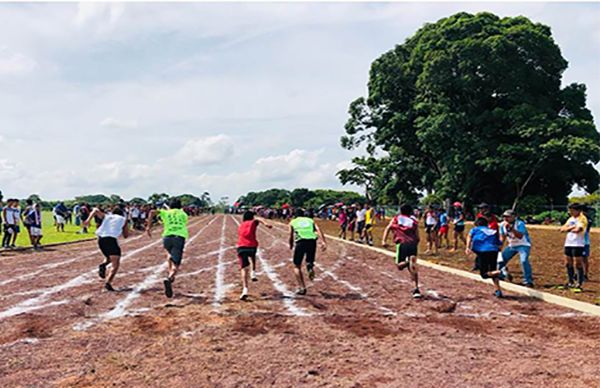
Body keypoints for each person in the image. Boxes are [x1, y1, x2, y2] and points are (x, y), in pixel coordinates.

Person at [146, 198, 189, 298]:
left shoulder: (165, 212)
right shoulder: (183, 214)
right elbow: (183, 220)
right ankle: (170, 277)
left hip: (167, 236)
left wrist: (149, 226)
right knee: (176, 264)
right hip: (179, 237)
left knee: (169, 254)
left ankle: (170, 272)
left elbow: (152, 212)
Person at [382, 204, 422, 298]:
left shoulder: (396, 219)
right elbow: (418, 236)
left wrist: (384, 240)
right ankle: (416, 289)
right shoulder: (413, 221)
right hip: (413, 244)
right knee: (413, 268)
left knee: (399, 265)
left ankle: (408, 263)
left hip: (402, 244)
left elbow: (388, 228)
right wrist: (415, 244)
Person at [85, 206, 129, 291]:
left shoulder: (107, 216)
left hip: (100, 239)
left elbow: (95, 210)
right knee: (115, 264)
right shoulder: (123, 219)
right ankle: (108, 283)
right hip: (111, 239)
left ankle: (103, 265)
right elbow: (126, 235)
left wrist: (88, 220)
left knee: (109, 258)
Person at [289, 208, 327, 295]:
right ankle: (310, 266)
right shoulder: (310, 220)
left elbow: (291, 235)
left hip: (301, 242)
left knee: (297, 266)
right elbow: (318, 229)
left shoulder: (293, 222)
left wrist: (291, 244)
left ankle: (302, 287)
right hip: (312, 241)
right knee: (309, 260)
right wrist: (323, 241)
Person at [237, 211, 273, 300]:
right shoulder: (253, 222)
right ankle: (253, 272)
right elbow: (259, 219)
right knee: (252, 256)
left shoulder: (241, 225)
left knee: (244, 269)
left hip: (241, 246)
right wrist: (266, 224)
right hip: (252, 246)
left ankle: (245, 289)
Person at [466, 217, 505, 298]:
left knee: (484, 274)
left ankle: (500, 272)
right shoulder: (492, 231)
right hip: (494, 251)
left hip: (482, 251)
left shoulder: (475, 230)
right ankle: (498, 290)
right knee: (492, 271)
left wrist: (467, 247)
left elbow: (469, 237)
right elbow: (499, 243)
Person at [499, 209, 533, 287]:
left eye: (508, 217)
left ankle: (528, 281)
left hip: (523, 244)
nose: (506, 219)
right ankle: (502, 275)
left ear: (514, 217)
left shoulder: (520, 224)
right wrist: (499, 247)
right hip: (512, 245)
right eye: (504, 217)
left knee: (524, 261)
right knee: (501, 261)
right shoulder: (502, 225)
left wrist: (512, 229)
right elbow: (502, 237)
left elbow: (520, 236)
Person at [559, 203, 588, 291]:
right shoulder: (571, 219)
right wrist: (571, 227)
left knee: (578, 263)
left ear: (578, 210)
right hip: (569, 243)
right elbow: (562, 229)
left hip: (578, 243)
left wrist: (569, 228)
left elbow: (578, 230)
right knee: (568, 262)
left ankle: (579, 282)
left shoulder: (582, 218)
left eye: (572, 210)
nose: (570, 212)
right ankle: (570, 281)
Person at [582, 206, 592, 281]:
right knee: (581, 258)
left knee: (584, 258)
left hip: (584, 241)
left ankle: (585, 274)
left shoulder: (586, 219)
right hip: (582, 241)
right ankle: (582, 273)